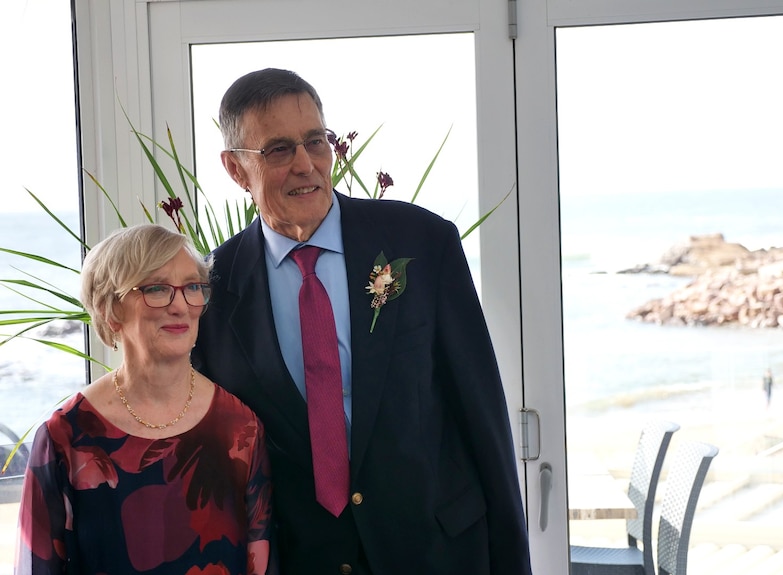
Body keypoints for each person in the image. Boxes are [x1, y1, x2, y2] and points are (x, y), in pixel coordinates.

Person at [191, 68, 532, 575]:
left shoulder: (421, 242)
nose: (307, 165)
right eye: (280, 150)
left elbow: (482, 413)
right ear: (237, 170)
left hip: (439, 551)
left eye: (316, 141)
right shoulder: (213, 292)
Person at [16, 224, 273, 575]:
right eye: (157, 288)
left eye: (192, 288)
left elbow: (259, 563)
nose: (180, 305)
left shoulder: (239, 428)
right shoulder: (65, 436)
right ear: (110, 310)